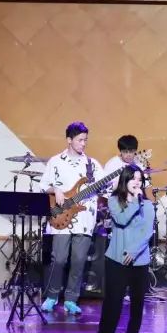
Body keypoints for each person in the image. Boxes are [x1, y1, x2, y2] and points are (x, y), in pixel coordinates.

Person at [38, 121, 102, 315]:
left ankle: (71, 299)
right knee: (58, 259)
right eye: (80, 140)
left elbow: (105, 188)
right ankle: (52, 296)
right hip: (61, 217)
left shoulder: (92, 164)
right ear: (69, 140)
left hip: (84, 218)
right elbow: (43, 185)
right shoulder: (55, 161)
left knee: (79, 260)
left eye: (85, 140)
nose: (84, 143)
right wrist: (56, 189)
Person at [96, 165, 154, 333]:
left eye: (140, 179)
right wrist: (135, 201)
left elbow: (147, 231)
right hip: (116, 258)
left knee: (137, 301)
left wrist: (134, 251)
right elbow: (122, 220)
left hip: (139, 259)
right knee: (113, 299)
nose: (137, 182)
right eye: (133, 178)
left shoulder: (148, 205)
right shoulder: (114, 201)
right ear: (125, 180)